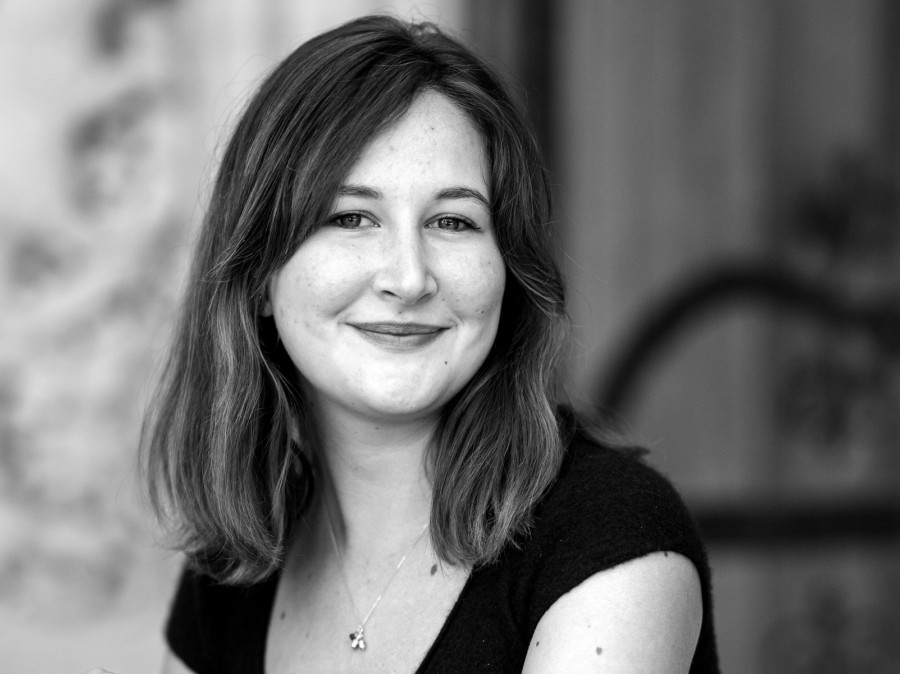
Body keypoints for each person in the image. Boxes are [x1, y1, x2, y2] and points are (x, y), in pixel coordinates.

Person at [142, 14, 720, 674]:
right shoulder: (233, 573)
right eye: (351, 217)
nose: (409, 278)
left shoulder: (609, 536)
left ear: (508, 269)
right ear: (261, 277)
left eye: (453, 221)